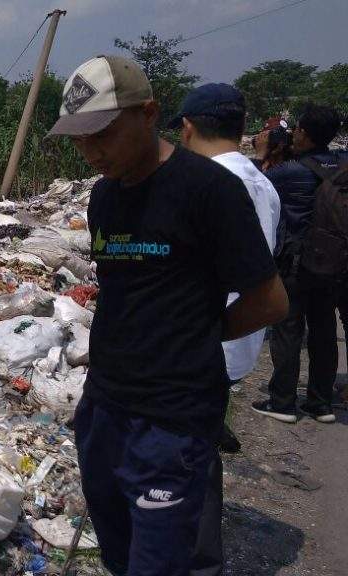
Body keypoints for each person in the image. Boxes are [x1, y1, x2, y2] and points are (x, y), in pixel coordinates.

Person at [49, 55, 288, 576]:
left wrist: (200, 335)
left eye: (102, 135)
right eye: (78, 140)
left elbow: (270, 300)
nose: (90, 152)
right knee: (118, 554)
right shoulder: (104, 197)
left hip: (172, 420)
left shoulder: (208, 190)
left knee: (158, 564)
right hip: (105, 410)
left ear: (149, 113)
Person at [169, 83, 282, 576]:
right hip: (235, 340)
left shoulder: (202, 185)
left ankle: (193, 559)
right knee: (197, 446)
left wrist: (196, 331)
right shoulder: (263, 185)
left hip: (204, 345)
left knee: (186, 458)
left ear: (187, 128)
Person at [254, 103, 346, 424]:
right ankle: (321, 404)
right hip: (334, 263)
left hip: (295, 263)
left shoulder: (290, 172)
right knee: (323, 330)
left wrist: (268, 152)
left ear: (303, 133)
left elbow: (258, 186)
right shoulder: (343, 165)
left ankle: (282, 402)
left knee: (288, 330)